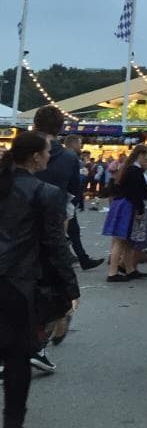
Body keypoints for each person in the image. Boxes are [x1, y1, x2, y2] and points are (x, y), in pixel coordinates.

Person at [0, 131, 80, 428]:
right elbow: (55, 245)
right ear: (35, 156)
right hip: (18, 284)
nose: (50, 155)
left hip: (12, 278)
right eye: (48, 151)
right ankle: (12, 421)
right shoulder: (46, 193)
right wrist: (70, 289)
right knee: (17, 356)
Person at [32, 111, 101, 272]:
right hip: (56, 217)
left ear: (36, 125)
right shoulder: (69, 158)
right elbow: (74, 190)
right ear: (60, 128)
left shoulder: (22, 153)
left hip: (23, 220)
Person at [102, 144, 147, 282]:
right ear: (140, 155)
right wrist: (141, 209)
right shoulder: (135, 170)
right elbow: (137, 192)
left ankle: (129, 269)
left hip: (123, 204)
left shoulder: (128, 168)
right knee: (121, 239)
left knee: (127, 239)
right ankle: (113, 272)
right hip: (127, 206)